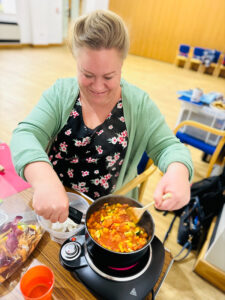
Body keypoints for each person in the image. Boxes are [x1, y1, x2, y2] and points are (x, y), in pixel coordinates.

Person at [10, 10, 193, 223]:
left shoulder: (139, 105)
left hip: (107, 218)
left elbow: (168, 147)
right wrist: (43, 179)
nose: (97, 87)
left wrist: (178, 171)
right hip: (52, 207)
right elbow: (26, 134)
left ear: (122, 65)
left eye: (109, 76)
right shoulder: (60, 93)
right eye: (87, 75)